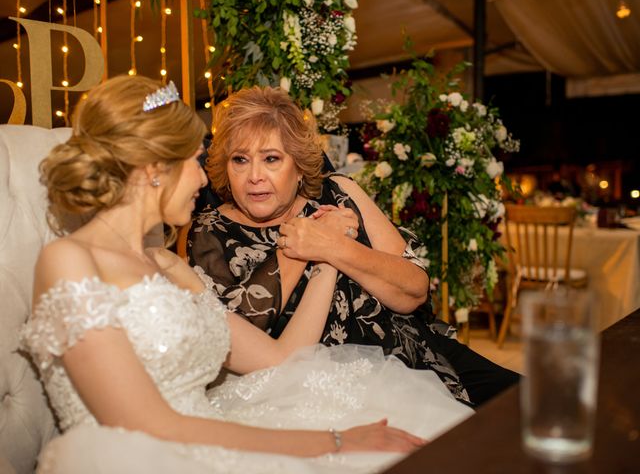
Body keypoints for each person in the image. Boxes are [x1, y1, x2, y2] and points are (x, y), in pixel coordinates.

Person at [20, 76, 474, 474]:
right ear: (154, 170)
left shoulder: (171, 266)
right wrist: (334, 441)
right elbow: (150, 425)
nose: (204, 181)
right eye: (197, 161)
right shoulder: (69, 259)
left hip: (211, 430)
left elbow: (279, 359)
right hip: (146, 455)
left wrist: (327, 258)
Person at [187, 86, 519, 407]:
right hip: (323, 392)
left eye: (271, 158)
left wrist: (334, 247)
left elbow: (414, 291)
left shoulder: (340, 192)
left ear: (300, 167)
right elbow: (238, 335)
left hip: (415, 354)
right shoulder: (211, 230)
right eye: (240, 160)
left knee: (531, 404)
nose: (254, 175)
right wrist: (301, 246)